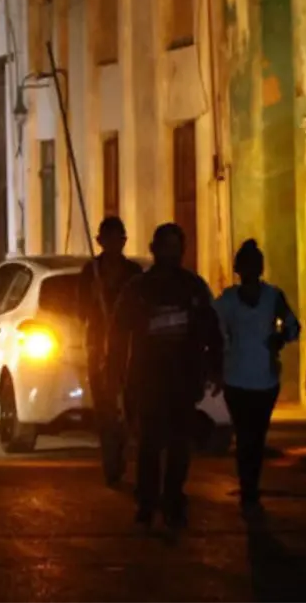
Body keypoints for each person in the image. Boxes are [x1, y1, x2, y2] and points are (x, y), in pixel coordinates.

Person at [105, 223, 222, 531]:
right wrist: (114, 374)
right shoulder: (138, 289)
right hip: (148, 380)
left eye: (176, 247)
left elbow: (211, 329)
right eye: (165, 246)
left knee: (179, 445)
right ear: (154, 249)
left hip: (184, 380)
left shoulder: (193, 287)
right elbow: (118, 335)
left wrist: (215, 367)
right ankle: (147, 502)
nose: (171, 253)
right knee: (150, 443)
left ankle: (173, 500)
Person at [213, 239, 301, 520]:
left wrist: (280, 338)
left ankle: (250, 486)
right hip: (236, 378)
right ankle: (248, 488)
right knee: (245, 435)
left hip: (265, 379)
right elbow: (212, 328)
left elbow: (293, 326)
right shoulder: (227, 301)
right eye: (246, 265)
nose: (250, 270)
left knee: (256, 436)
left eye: (255, 265)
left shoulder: (273, 297)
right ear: (239, 269)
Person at [78, 216, 144, 485]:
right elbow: (80, 311)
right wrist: (95, 296)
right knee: (104, 407)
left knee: (130, 404)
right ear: (100, 241)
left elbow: (142, 309)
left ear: (124, 241)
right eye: (109, 240)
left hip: (128, 348)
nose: (114, 245)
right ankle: (111, 460)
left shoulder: (134, 273)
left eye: (119, 240)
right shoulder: (90, 272)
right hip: (99, 347)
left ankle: (126, 444)